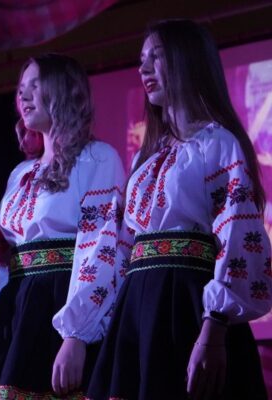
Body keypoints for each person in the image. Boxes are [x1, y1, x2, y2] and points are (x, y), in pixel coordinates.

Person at [87, 19, 272, 400]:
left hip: (186, 301)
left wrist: (214, 326)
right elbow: (120, 241)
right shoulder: (145, 157)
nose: (144, 68)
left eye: (156, 56)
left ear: (187, 60)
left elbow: (237, 235)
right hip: (139, 304)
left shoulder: (217, 144)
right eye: (141, 60)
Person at [0, 54, 126, 399]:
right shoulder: (21, 173)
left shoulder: (97, 158)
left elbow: (101, 247)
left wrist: (77, 334)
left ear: (63, 90)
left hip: (61, 300)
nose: (23, 95)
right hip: (19, 305)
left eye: (35, 85)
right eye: (20, 88)